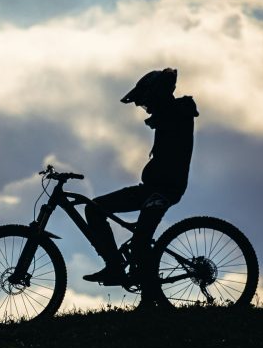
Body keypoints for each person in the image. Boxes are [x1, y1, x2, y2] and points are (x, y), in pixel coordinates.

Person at [82, 68, 199, 289]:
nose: (145, 108)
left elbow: (168, 116)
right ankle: (115, 266)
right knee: (95, 208)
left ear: (158, 95)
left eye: (146, 101)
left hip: (163, 190)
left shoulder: (178, 112)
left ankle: (148, 296)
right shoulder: (171, 113)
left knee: (141, 244)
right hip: (151, 188)